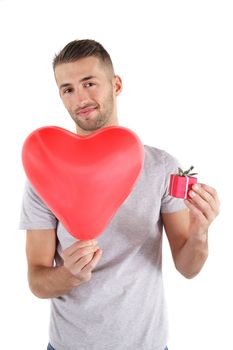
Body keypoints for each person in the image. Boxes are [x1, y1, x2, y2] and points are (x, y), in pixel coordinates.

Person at [19, 39, 220, 350]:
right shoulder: (44, 174)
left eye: (89, 83)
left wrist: (200, 232)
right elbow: (37, 281)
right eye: (68, 89)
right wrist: (69, 275)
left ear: (116, 85)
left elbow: (188, 267)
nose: (80, 98)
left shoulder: (162, 167)